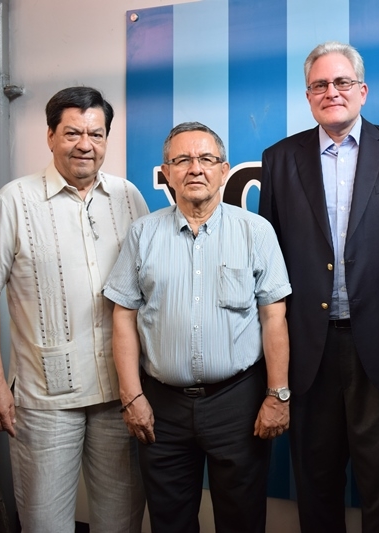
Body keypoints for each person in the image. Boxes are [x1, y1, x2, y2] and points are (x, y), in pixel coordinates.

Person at [260, 41, 379, 532]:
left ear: (362, 90)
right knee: (315, 485)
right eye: (320, 84)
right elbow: (270, 263)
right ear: (308, 96)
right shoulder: (279, 159)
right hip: (308, 349)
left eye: (342, 82)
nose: (332, 92)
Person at [0, 87, 148, 532]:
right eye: (72, 133)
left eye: (96, 134)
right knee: (44, 523)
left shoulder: (128, 197)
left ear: (106, 139)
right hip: (45, 400)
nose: (85, 144)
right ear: (50, 136)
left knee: (121, 522)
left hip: (120, 396)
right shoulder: (15, 200)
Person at [104, 122, 292, 533]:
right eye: (182, 160)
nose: (195, 168)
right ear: (166, 173)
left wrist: (278, 395)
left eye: (206, 159)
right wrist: (131, 396)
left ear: (224, 171)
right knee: (170, 522)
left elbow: (273, 317)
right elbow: (123, 316)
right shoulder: (142, 234)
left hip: (237, 404)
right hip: (161, 408)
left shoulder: (255, 232)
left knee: (242, 521)